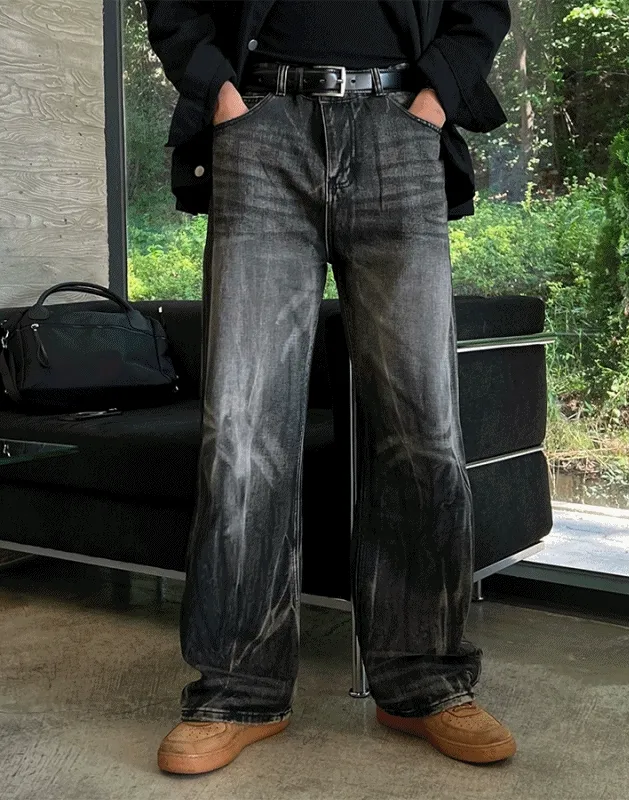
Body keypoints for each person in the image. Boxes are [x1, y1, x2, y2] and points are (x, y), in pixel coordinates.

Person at [143, 0, 515, 775]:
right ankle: (237, 690)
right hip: (260, 127)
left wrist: (431, 101)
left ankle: (423, 681)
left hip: (400, 130)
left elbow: (481, 7)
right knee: (241, 431)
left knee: (424, 430)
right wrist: (221, 94)